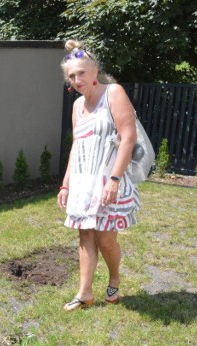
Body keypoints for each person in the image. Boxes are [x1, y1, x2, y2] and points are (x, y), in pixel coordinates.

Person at [58, 40, 140, 311]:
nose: (77, 79)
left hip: (107, 180)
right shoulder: (76, 107)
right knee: (85, 237)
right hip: (83, 182)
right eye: (72, 76)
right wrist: (66, 185)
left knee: (106, 239)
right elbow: (76, 148)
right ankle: (85, 293)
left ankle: (114, 277)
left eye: (81, 72)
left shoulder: (113, 93)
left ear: (94, 71)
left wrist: (115, 179)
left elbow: (128, 138)